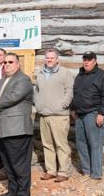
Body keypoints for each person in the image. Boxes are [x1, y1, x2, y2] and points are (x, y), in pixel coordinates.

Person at [0, 53, 34, 196]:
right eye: (6, 62)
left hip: (17, 129)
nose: (7, 64)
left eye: (11, 62)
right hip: (3, 128)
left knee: (20, 166)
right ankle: (13, 191)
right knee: (9, 164)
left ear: (18, 64)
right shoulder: (2, 81)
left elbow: (14, 97)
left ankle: (23, 193)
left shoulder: (23, 79)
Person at [70, 51, 104, 181]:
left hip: (93, 113)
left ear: (95, 61)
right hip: (79, 115)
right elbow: (76, 93)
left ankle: (96, 174)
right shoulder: (80, 75)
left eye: (89, 59)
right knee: (81, 143)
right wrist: (73, 108)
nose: (86, 62)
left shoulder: (102, 76)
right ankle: (87, 171)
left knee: (94, 144)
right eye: (85, 59)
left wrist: (102, 113)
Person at [35, 48, 74, 183]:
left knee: (61, 144)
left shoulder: (64, 73)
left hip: (58, 115)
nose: (49, 60)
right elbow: (37, 90)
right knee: (47, 144)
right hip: (44, 114)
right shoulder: (40, 73)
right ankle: (51, 170)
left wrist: (63, 104)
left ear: (57, 59)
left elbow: (69, 90)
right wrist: (38, 104)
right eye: (47, 57)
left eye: (52, 58)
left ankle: (63, 171)